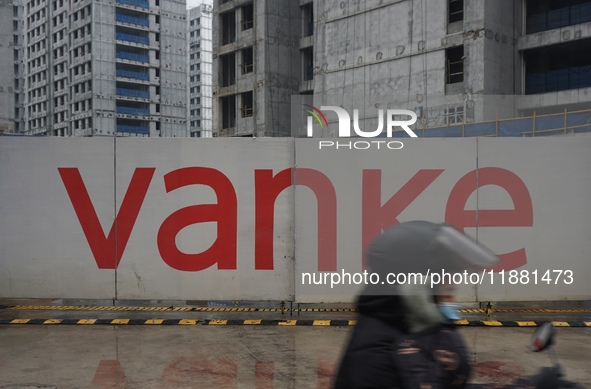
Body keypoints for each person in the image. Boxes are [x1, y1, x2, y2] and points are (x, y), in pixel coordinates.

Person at [332, 221, 498, 388]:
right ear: (417, 290)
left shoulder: (415, 328)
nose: (453, 303)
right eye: (447, 292)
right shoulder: (376, 356)